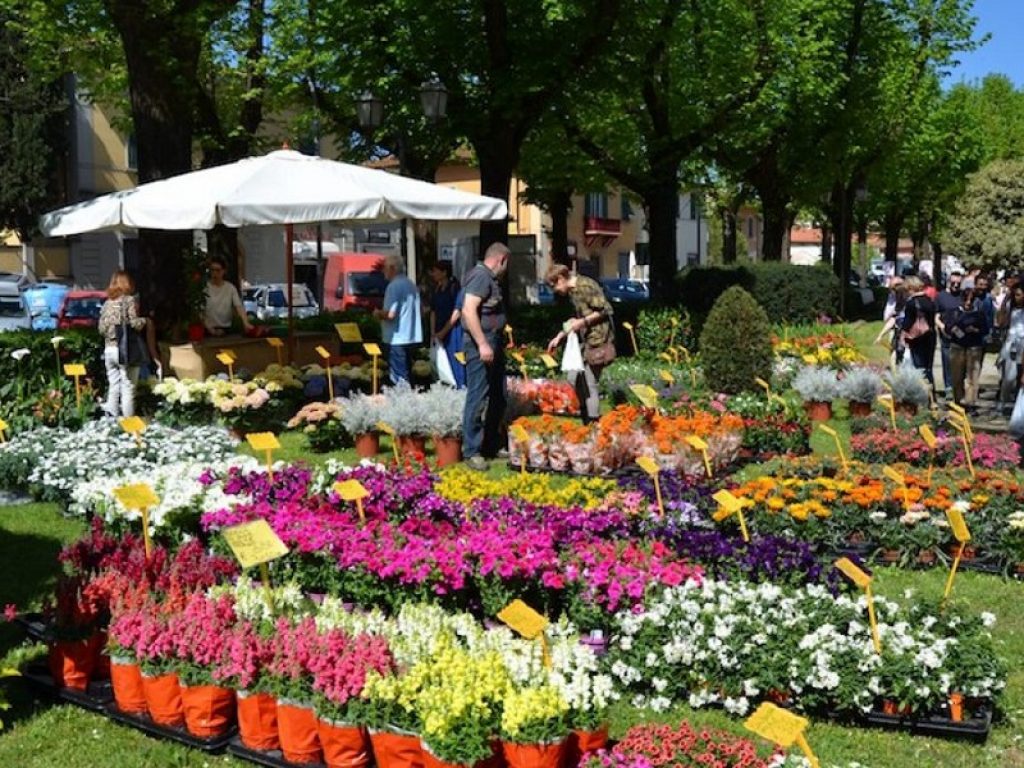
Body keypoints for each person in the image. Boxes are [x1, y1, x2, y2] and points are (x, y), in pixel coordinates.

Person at [544, 264, 616, 422]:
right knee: (575, 380)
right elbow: (577, 319)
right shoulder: (573, 292)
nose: (555, 290)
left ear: (561, 279)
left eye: (554, 286)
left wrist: (582, 322)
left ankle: (593, 423)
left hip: (598, 341)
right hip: (585, 341)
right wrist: (560, 336)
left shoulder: (586, 286)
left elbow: (605, 310)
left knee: (590, 383)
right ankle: (585, 419)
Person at [461, 242, 510, 470]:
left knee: (499, 395)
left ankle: (490, 443)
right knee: (478, 395)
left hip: (493, 341)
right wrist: (482, 344)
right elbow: (468, 310)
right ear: (502, 259)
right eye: (507, 264)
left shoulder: (488, 277)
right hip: (481, 344)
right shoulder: (481, 276)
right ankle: (472, 450)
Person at [97, 270, 149, 417]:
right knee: (128, 387)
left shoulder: (107, 303)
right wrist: (145, 321)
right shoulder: (128, 300)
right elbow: (134, 323)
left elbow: (101, 329)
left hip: (109, 349)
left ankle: (112, 416)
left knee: (113, 385)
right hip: (125, 349)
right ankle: (128, 421)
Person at [374, 254, 422, 384]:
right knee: (407, 373)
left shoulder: (393, 286)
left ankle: (401, 396)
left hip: (396, 337)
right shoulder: (411, 284)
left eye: (385, 267)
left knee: (399, 378)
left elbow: (390, 314)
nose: (383, 271)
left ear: (393, 268)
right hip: (410, 336)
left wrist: (378, 313)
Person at [941, 288, 988, 413]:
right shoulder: (954, 312)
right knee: (957, 376)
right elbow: (947, 327)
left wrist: (975, 330)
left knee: (972, 377)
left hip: (974, 347)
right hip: (957, 347)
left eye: (971, 300)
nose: (968, 303)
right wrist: (954, 329)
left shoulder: (978, 314)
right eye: (965, 299)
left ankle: (970, 403)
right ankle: (958, 401)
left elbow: (985, 330)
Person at [428, 261, 465, 387]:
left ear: (444, 272)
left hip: (453, 331)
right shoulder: (437, 289)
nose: (433, 274)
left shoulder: (454, 288)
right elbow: (433, 311)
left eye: (436, 271)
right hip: (439, 331)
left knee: (455, 359)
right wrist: (433, 332)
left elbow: (457, 311)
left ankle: (460, 385)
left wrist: (444, 331)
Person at [900, 276, 937, 391]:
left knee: (918, 368)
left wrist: (903, 336)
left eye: (906, 290)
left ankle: (922, 393)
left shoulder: (911, 303)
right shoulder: (929, 301)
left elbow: (907, 322)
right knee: (928, 368)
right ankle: (931, 394)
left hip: (917, 339)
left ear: (911, 288)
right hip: (930, 336)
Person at [204, 255, 252, 336]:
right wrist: (211, 330)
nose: (215, 273)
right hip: (208, 330)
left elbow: (239, 306)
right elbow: (200, 312)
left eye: (218, 270)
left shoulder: (230, 288)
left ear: (224, 271)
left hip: (226, 329)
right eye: (212, 270)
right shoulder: (205, 288)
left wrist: (246, 323)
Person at [996, 282, 1024, 415]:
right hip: (1012, 344)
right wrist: (1005, 301)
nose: (1018, 297)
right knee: (1009, 377)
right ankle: (1002, 402)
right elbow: (1001, 322)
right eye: (1016, 295)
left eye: (1020, 295)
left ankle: (1018, 405)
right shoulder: (1010, 307)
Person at [935, 272, 963, 399]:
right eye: (953, 283)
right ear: (948, 282)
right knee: (947, 362)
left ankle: (959, 387)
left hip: (961, 335)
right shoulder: (941, 296)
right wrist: (942, 327)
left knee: (961, 363)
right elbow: (936, 316)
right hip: (946, 334)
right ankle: (949, 388)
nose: (956, 285)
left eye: (958, 283)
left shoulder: (963, 296)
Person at [874, 277, 907, 366]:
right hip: (900, 334)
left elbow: (894, 319)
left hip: (909, 337)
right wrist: (880, 335)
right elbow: (893, 319)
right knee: (896, 353)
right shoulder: (900, 302)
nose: (893, 292)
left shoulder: (908, 301)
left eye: (894, 289)